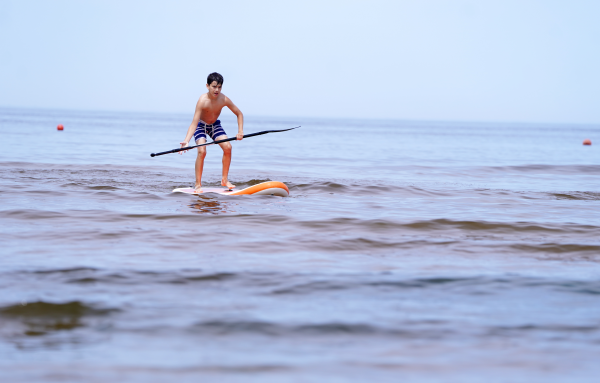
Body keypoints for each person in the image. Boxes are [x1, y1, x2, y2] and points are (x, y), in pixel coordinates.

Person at [179, 72, 244, 193]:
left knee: (228, 147)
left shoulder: (224, 99)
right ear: (207, 86)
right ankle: (198, 184)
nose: (217, 90)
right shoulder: (202, 100)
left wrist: (240, 131)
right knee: (202, 150)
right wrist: (186, 141)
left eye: (219, 87)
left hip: (214, 125)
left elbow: (239, 114)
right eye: (214, 86)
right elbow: (194, 123)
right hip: (200, 126)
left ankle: (224, 180)